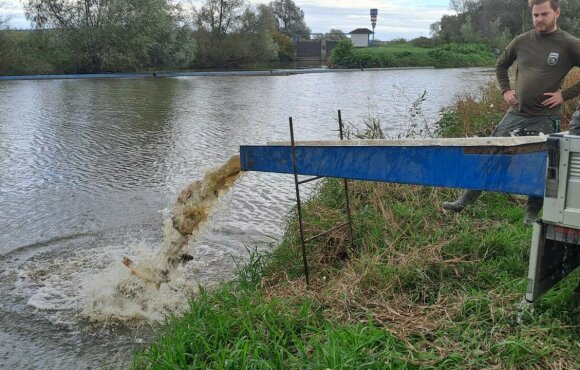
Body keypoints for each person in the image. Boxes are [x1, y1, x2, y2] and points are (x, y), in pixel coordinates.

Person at [442, 0, 580, 225]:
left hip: (546, 115)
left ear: (557, 13)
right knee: (492, 151)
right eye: (535, 15)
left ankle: (531, 215)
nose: (539, 19)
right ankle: (465, 201)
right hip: (517, 112)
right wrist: (505, 89)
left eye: (544, 14)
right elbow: (500, 65)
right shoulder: (522, 40)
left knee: (540, 164)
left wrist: (564, 95)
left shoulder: (568, 43)